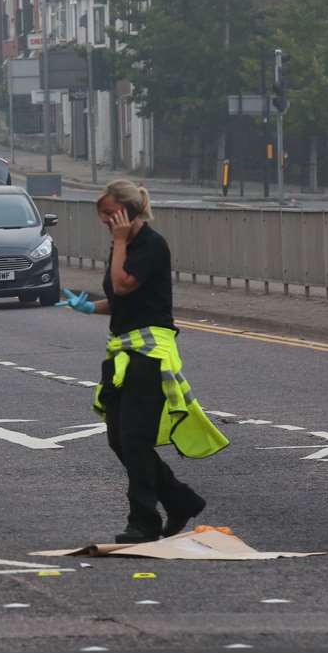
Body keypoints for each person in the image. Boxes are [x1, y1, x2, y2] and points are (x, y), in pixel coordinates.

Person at [57, 181, 228, 543]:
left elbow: (123, 286)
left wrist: (119, 242)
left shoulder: (150, 245)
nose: (104, 221)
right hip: (122, 351)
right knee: (119, 438)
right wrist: (89, 307)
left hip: (149, 354)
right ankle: (179, 500)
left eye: (108, 214)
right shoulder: (125, 245)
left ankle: (144, 521)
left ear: (126, 212)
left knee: (135, 437)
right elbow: (118, 299)